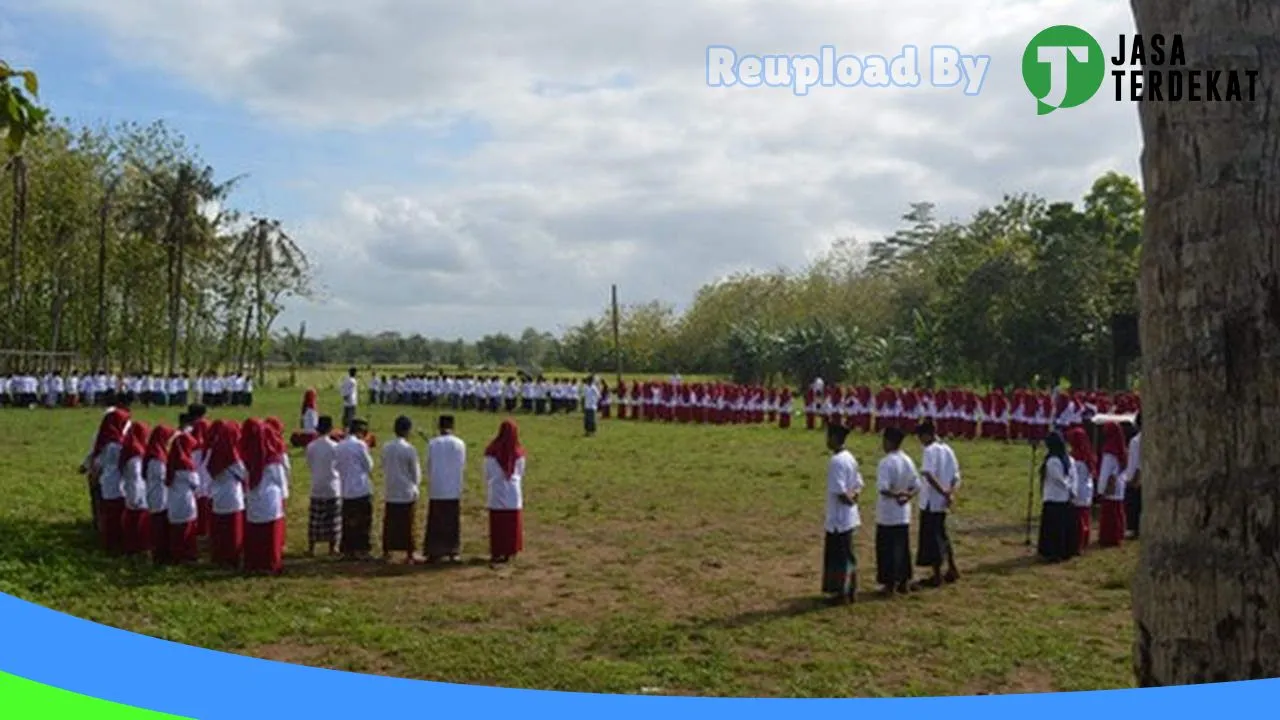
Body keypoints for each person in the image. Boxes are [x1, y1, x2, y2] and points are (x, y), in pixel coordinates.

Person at [914, 422, 961, 587]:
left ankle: (937, 575)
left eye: (920, 437)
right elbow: (956, 475)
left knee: (932, 538)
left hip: (931, 501)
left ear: (927, 435)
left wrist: (942, 491)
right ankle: (952, 568)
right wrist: (950, 493)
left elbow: (928, 474)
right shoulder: (948, 450)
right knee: (942, 534)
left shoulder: (929, 450)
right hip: (942, 501)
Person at [875, 427, 919, 595]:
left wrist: (897, 494)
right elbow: (917, 485)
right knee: (902, 548)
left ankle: (890, 584)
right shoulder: (908, 460)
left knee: (887, 549)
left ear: (889, 442)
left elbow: (883, 489)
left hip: (888, 513)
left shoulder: (886, 462)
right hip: (903, 513)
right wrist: (907, 496)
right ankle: (904, 581)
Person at [822, 423, 863, 605]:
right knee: (847, 553)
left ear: (835, 439)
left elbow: (839, 492)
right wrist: (854, 498)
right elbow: (859, 483)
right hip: (849, 515)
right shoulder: (850, 457)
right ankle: (850, 588)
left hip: (839, 516)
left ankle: (842, 592)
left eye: (829, 437)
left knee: (840, 555)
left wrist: (849, 500)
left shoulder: (837, 461)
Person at [242, 418, 289, 575]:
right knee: (270, 535)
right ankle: (270, 564)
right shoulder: (271, 459)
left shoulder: (246, 456)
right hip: (270, 498)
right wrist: (284, 496)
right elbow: (280, 480)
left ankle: (254, 562)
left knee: (255, 532)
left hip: (253, 496)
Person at [484, 419, 526, 567]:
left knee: (498, 523)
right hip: (513, 491)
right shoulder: (518, 453)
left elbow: (487, 472)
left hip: (496, 489)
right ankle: (510, 550)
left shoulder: (491, 451)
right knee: (511, 523)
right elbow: (521, 472)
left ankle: (497, 551)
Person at [425, 415, 466, 563]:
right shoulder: (460, 444)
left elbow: (428, 464)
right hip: (453, 487)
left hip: (437, 486)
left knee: (436, 521)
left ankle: (434, 551)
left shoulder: (433, 443)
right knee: (451, 521)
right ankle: (452, 550)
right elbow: (462, 464)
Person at [381, 416, 422, 564]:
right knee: (408, 523)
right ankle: (409, 553)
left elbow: (383, 465)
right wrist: (416, 485)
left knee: (390, 522)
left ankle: (387, 550)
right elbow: (415, 472)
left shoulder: (386, 447)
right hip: (406, 490)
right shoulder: (409, 449)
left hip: (391, 488)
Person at [90, 407, 131, 554]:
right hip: (117, 484)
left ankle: (107, 541)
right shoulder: (116, 444)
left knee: (108, 514)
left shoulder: (104, 441)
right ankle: (115, 544)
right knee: (115, 516)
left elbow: (97, 463)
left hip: (106, 481)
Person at [207, 420, 246, 568]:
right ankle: (232, 558)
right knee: (233, 531)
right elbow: (244, 474)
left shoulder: (215, 453)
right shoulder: (232, 457)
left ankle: (219, 556)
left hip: (218, 495)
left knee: (220, 529)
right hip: (232, 496)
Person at [336, 419, 375, 560]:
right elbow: (369, 465)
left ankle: (348, 549)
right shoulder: (360, 445)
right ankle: (362, 549)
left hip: (346, 488)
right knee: (363, 521)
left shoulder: (339, 445)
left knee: (348, 521)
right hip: (361, 488)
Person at [1037, 431, 1077, 562]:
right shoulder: (1069, 458)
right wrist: (1072, 489)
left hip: (1054, 497)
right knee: (1063, 526)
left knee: (1053, 528)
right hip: (1065, 498)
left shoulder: (1053, 460)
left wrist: (1068, 487)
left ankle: (1053, 552)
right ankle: (1065, 550)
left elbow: (1058, 479)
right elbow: (1073, 476)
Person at [306, 416, 342, 557]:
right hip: (332, 485)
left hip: (317, 484)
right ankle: (332, 548)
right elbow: (338, 465)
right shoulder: (335, 447)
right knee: (333, 520)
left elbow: (310, 464)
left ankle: (311, 548)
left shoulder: (311, 446)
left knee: (315, 520)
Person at [166, 431, 202, 564]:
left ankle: (176, 554)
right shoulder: (186, 464)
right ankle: (188, 556)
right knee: (187, 528)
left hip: (174, 498)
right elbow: (195, 482)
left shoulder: (171, 460)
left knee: (177, 528)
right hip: (185, 499)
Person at [119, 421, 152, 556]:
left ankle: (132, 545)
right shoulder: (136, 453)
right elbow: (137, 476)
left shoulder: (129, 448)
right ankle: (138, 547)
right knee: (137, 519)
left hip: (131, 488)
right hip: (137, 489)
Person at [144, 424, 175, 565]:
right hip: (159, 495)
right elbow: (164, 477)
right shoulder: (157, 459)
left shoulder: (157, 453)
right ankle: (159, 555)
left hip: (160, 494)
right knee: (158, 526)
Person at [1097, 421, 1128, 547]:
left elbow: (1105, 471)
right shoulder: (1121, 448)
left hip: (1110, 483)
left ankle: (1109, 538)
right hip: (1119, 482)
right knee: (1117, 510)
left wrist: (1100, 489)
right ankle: (1119, 533)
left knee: (1110, 513)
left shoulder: (1109, 450)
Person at [1066, 427, 1097, 554]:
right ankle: (1084, 542)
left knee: (1078, 520)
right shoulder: (1089, 455)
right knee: (1085, 517)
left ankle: (1077, 545)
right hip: (1087, 490)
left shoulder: (1075, 458)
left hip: (1078, 491)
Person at [1124, 413, 1142, 539]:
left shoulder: (1136, 441)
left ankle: (1134, 528)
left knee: (1134, 505)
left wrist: (1133, 479)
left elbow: (1136, 462)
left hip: (1137, 476)